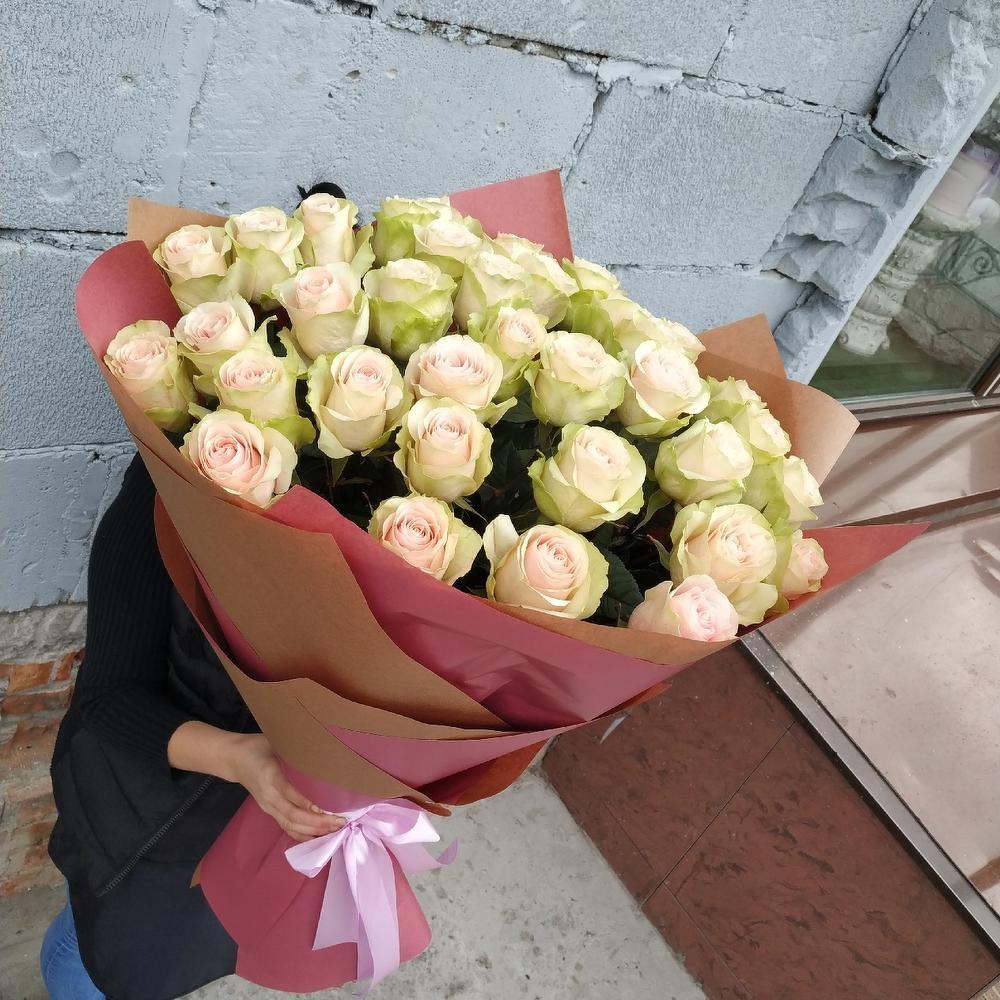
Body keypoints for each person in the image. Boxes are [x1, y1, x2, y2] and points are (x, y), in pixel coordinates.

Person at [42, 456, 345, 999]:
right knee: (97, 960)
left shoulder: (409, 527)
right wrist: (242, 759)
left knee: (175, 951)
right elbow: (108, 699)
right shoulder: (181, 476)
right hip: (142, 817)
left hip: (262, 833)